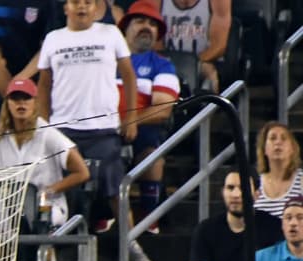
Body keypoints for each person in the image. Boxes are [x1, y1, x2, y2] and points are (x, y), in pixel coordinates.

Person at [38, 0, 137, 238]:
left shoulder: (111, 33)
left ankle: (130, 243)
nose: (81, 7)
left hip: (103, 128)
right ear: (65, 8)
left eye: (87, 2)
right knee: (56, 191)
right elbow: (43, 86)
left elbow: (129, 76)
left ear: (96, 8)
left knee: (115, 189)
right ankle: (55, 247)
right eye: (75, 2)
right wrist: (42, 126)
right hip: (62, 130)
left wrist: (131, 117)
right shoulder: (53, 38)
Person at [0, 79, 90, 231]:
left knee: (40, 216)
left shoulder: (48, 133)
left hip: (45, 202)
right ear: (7, 103)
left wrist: (48, 190)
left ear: (34, 102)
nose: (21, 103)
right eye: (15, 99)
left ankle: (46, 253)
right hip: (4, 205)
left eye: (26, 98)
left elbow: (82, 172)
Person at [119, 3, 179, 233]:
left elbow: (162, 109)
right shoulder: (107, 60)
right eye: (140, 21)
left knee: (152, 150)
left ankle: (148, 215)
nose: (147, 27)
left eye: (153, 24)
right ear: (125, 29)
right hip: (103, 128)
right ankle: (100, 213)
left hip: (143, 128)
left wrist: (131, 121)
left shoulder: (162, 64)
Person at [188, 170, 282, 261]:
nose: (236, 194)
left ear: (257, 194)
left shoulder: (274, 227)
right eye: (230, 188)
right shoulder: (205, 230)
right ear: (223, 192)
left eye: (243, 188)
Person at [239, 195, 303, 261]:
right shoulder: (260, 258)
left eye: (300, 217)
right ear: (282, 225)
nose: (293, 223)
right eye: (288, 218)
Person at [160, 0, 230, 91]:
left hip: (203, 61)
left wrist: (191, 64)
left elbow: (219, 46)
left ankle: (209, 104)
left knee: (209, 72)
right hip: (165, 60)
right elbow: (154, 41)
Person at [253, 121, 303, 220]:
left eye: (283, 138)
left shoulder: (301, 180)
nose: (278, 142)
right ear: (264, 149)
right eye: (273, 138)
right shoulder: (255, 183)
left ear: (292, 148)